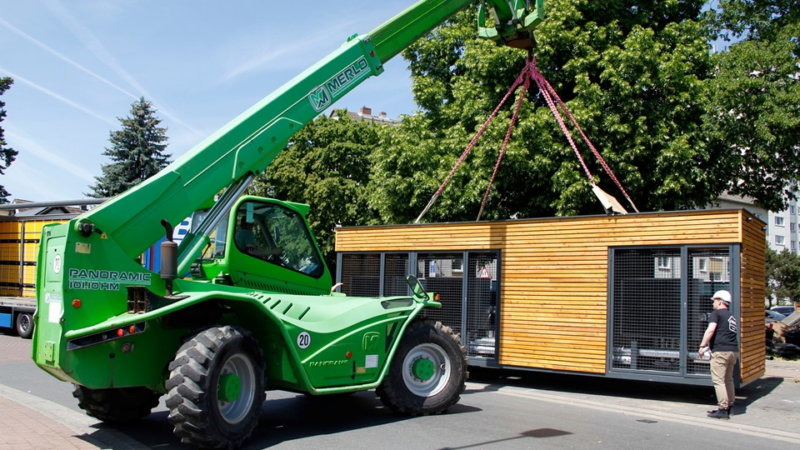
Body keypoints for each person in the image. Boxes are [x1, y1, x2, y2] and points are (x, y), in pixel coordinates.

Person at [698, 289, 739, 420]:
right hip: (733, 351)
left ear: (720, 302)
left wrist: (702, 345)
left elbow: (711, 330)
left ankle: (723, 409)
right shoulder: (731, 316)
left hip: (721, 352)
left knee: (718, 380)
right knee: (728, 379)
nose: (713, 303)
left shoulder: (716, 314)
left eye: (715, 301)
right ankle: (731, 406)